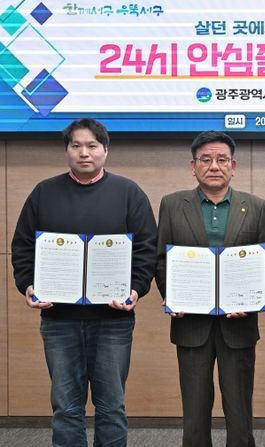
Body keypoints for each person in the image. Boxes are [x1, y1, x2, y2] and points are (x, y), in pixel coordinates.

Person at [11, 117, 157, 447]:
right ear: (67, 151)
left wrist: (136, 289)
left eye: (92, 145)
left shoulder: (129, 193)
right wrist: (28, 285)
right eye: (76, 145)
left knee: (111, 407)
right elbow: (23, 247)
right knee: (65, 408)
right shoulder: (44, 192)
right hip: (59, 319)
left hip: (113, 319)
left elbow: (147, 248)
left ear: (105, 150)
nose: (84, 153)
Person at [155, 131, 265, 447]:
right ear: (193, 166)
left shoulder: (256, 206)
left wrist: (252, 300)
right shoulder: (172, 204)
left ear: (233, 166)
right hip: (191, 324)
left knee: (239, 411)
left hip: (239, 325)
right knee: (194, 413)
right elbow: (161, 260)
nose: (214, 166)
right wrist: (171, 296)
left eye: (222, 160)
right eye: (205, 160)